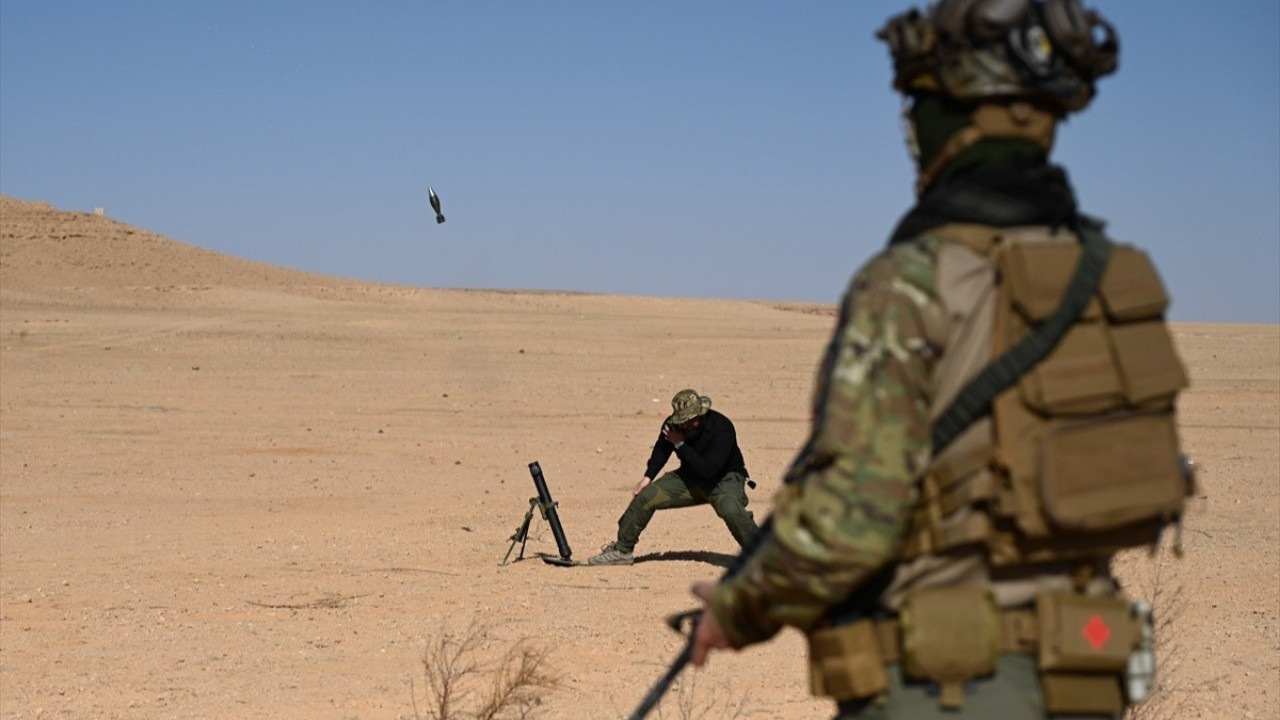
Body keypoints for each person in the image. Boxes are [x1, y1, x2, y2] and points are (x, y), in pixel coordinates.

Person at [685, 2, 1191, 719]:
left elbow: (849, 521)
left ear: (957, 112)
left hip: (950, 684)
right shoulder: (1112, 277)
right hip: (1089, 673)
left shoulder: (912, 283)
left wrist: (736, 610)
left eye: (919, 102)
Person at [588, 389, 759, 566]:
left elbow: (709, 470)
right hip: (690, 478)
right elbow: (662, 450)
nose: (685, 425)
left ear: (701, 414)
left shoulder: (721, 428)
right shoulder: (673, 426)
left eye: (690, 420)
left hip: (724, 479)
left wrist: (680, 443)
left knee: (730, 508)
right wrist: (647, 478)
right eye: (682, 421)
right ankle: (622, 551)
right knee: (646, 496)